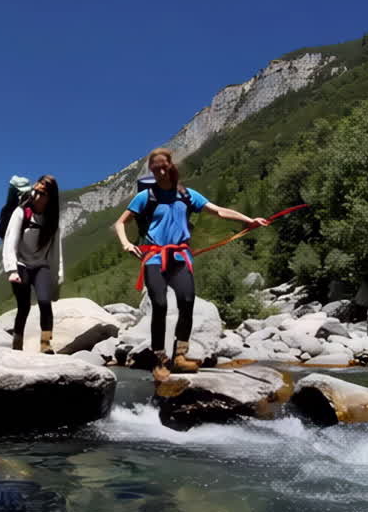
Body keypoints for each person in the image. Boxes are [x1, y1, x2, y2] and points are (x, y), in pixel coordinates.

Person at [113, 147, 267, 380]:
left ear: (171, 166)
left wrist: (249, 221)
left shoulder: (187, 195)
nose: (160, 171)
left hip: (180, 257)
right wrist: (126, 243)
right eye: (155, 168)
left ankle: (181, 356)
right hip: (154, 257)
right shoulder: (145, 197)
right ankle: (159, 359)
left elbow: (219, 212)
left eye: (163, 166)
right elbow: (120, 223)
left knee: (186, 301)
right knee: (160, 304)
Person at [1, 175, 63, 353]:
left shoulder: (52, 220)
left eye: (42, 193)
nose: (36, 196)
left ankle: (45, 344)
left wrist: (57, 277)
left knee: (45, 301)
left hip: (40, 265)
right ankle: (17, 343)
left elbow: (56, 252)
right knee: (24, 306)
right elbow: (10, 242)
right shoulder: (21, 212)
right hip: (20, 264)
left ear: (50, 197)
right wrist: (12, 269)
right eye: (35, 191)